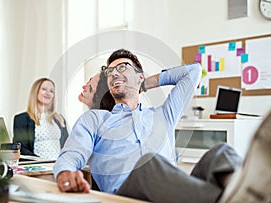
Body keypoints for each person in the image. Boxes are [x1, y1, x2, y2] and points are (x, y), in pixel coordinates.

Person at [53, 48, 202, 193]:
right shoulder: (94, 120)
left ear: (140, 76)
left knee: (220, 155)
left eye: (122, 67)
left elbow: (193, 71)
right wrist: (65, 172)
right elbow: (72, 154)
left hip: (171, 192)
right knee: (149, 163)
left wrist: (143, 84)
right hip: (128, 196)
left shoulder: (164, 115)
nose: (114, 74)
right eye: (110, 72)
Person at [13, 78, 69, 159]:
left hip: (59, 164)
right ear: (35, 92)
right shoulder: (21, 119)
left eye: (51, 91)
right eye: (44, 89)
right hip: (37, 165)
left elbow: (67, 145)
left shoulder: (59, 118)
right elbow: (22, 149)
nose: (48, 93)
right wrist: (41, 160)